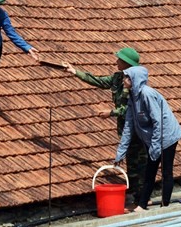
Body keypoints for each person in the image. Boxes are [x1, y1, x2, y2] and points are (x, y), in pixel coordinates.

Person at [63, 47, 147, 206]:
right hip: (126, 130)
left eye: (119, 60)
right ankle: (137, 197)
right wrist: (74, 71)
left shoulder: (136, 83)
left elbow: (133, 108)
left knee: (141, 165)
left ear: (127, 64)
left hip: (139, 130)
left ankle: (143, 199)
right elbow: (99, 81)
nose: (116, 62)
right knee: (132, 166)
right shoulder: (117, 78)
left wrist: (111, 112)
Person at [114, 65, 181, 212]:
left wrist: (156, 146)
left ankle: (165, 206)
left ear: (135, 79)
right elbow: (128, 126)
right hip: (151, 138)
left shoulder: (147, 94)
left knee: (166, 171)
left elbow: (158, 121)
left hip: (167, 136)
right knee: (149, 171)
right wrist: (120, 152)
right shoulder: (132, 97)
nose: (124, 80)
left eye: (127, 78)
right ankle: (142, 205)